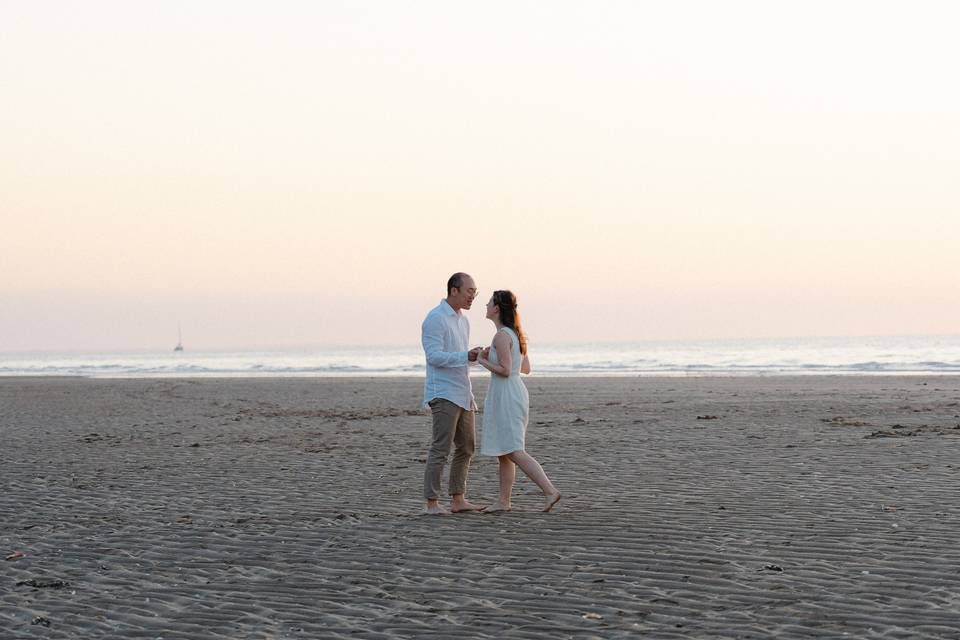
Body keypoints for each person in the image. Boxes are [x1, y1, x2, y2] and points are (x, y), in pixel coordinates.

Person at [477, 290, 561, 512]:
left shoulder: (502, 336)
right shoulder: (515, 334)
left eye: (489, 303)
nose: (485, 305)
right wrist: (494, 356)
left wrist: (481, 360)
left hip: (506, 393)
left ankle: (550, 491)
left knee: (513, 449)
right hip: (512, 391)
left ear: (496, 309)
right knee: (504, 451)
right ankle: (503, 501)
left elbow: (505, 370)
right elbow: (525, 368)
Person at [421, 272, 485, 515]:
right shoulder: (435, 318)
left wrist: (477, 356)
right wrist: (464, 356)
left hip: (462, 391)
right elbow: (433, 357)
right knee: (441, 447)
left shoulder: (463, 320)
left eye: (475, 293)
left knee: (467, 447)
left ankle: (458, 499)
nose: (473, 297)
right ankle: (432, 503)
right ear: (454, 290)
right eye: (470, 291)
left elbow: (460, 358)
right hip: (443, 392)